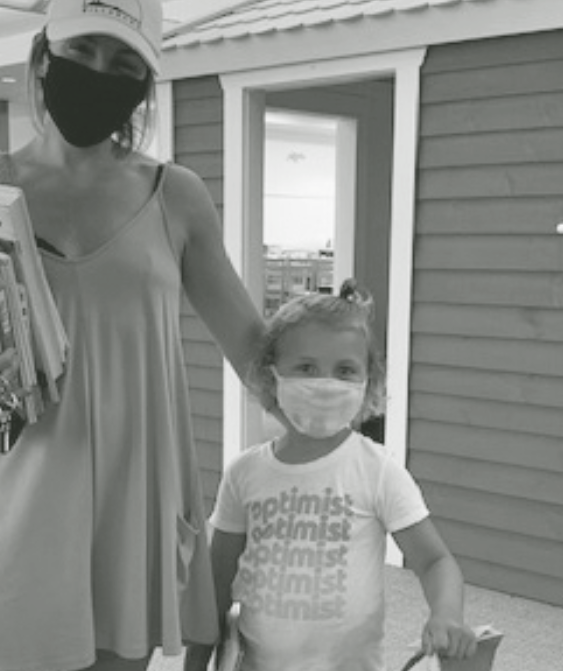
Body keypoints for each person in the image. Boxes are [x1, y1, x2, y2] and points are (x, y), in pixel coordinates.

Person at [0, 0, 275, 671]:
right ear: (43, 58)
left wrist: (336, 385)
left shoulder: (176, 196)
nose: (98, 73)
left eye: (124, 63)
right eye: (81, 51)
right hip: (11, 496)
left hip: (131, 506)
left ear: (144, 84)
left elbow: (255, 352)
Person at [184, 286, 473, 671]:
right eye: (306, 367)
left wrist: (446, 614)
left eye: (345, 371)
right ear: (271, 376)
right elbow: (216, 584)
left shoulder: (377, 470)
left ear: (368, 381)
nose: (325, 383)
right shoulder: (244, 474)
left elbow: (435, 560)